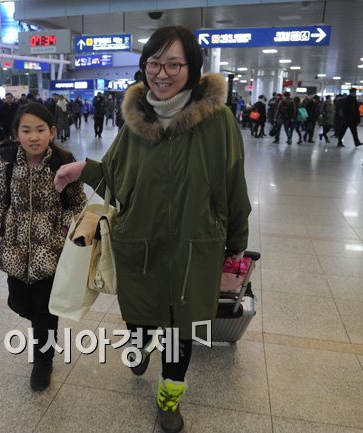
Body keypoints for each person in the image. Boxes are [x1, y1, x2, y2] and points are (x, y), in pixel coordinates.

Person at [54, 26, 251, 433]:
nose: (162, 74)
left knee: (183, 327)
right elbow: (116, 175)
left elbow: (234, 183)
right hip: (140, 242)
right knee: (141, 315)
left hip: (195, 245)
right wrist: (82, 169)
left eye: (174, 64)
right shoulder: (136, 121)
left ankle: (169, 395)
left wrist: (236, 242)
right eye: (154, 64)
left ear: (192, 68)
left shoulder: (218, 122)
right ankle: (140, 344)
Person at [0, 102, 86, 392]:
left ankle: (43, 361)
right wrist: (0, 224)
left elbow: (77, 204)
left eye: (40, 130)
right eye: (26, 130)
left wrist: (63, 232)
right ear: (16, 134)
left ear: (52, 132)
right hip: (15, 251)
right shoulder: (7, 165)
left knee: (44, 311)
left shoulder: (62, 163)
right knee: (19, 302)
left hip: (50, 254)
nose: (33, 137)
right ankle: (43, 327)